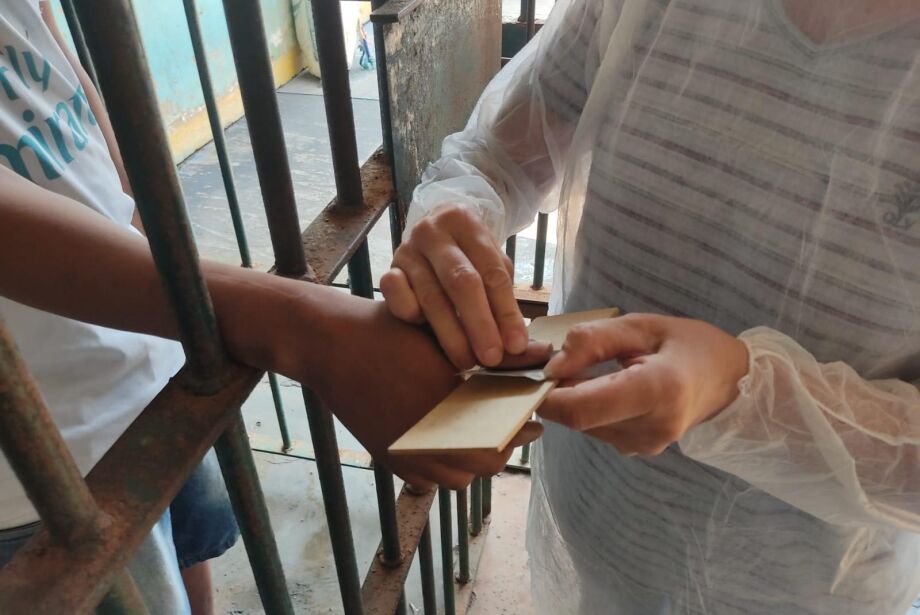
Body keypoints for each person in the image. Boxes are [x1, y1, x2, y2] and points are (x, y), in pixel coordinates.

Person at [0, 2, 542, 613]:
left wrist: (146, 232)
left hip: (155, 356)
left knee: (190, 555)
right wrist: (303, 324)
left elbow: (48, 37)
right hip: (34, 467)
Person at [381, 0, 920, 613]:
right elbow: (494, 157)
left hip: (807, 591)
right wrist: (456, 224)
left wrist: (742, 394)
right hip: (594, 520)